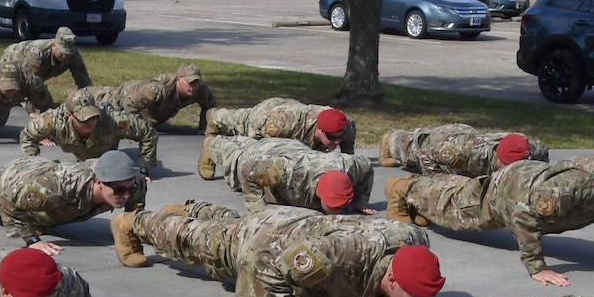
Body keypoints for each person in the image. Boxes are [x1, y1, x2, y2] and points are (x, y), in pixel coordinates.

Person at [110, 202, 444, 297]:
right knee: (192, 241)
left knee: (227, 222)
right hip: (262, 241)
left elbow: (413, 269)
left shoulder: (414, 247)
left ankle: (192, 209)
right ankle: (135, 223)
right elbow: (268, 264)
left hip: (299, 225)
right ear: (392, 280)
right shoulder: (343, 255)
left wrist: (417, 296)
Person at [386, 136, 594, 284]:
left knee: (459, 195)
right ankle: (405, 188)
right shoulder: (581, 185)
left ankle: (419, 191)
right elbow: (524, 215)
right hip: (511, 191)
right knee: (456, 211)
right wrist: (537, 267)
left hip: (533, 183)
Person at [0, 149, 142, 246]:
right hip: (12, 183)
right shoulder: (57, 188)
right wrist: (32, 240)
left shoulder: (133, 183)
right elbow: (7, 200)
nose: (125, 195)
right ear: (99, 182)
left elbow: (134, 202)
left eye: (129, 189)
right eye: (118, 191)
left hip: (39, 172)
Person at [197, 135, 374, 211]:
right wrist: (257, 207)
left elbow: (367, 166)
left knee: (251, 144)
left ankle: (244, 141)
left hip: (295, 149)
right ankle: (214, 143)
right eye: (335, 206)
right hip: (274, 155)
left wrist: (360, 200)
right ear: (320, 193)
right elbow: (247, 169)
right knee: (236, 164)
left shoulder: (349, 167)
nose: (339, 211)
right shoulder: (289, 172)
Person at [69, 63, 215, 134]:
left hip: (145, 111)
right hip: (120, 97)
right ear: (179, 80)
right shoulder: (158, 89)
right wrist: (133, 129)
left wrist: (204, 127)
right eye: (190, 82)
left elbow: (210, 105)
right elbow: (129, 105)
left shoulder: (199, 89)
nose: (193, 86)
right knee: (91, 101)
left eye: (196, 82)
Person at [17, 98, 158, 167]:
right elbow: (28, 135)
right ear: (69, 115)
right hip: (82, 158)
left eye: (93, 117)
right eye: (83, 119)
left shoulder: (114, 120)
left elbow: (148, 133)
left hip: (106, 154)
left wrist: (144, 167)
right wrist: (33, 165)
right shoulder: (53, 120)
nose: (90, 122)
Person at [377, 125, 545, 175]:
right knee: (413, 149)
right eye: (506, 165)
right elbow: (426, 153)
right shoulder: (462, 153)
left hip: (471, 136)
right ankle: (390, 140)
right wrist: (432, 182)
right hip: (445, 141)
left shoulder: (531, 149)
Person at [206, 98, 354, 154]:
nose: (337, 141)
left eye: (340, 137)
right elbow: (258, 149)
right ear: (319, 130)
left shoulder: (344, 125)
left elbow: (347, 150)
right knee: (237, 121)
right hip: (268, 115)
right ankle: (214, 116)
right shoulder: (281, 125)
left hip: (292, 109)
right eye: (332, 138)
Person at [0, 27, 91, 110]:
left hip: (33, 73)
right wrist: (31, 111)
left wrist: (90, 102)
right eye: (62, 52)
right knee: (2, 92)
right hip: (11, 58)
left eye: (67, 53)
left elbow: (83, 80)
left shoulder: (73, 55)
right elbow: (26, 82)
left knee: (45, 102)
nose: (65, 56)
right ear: (54, 45)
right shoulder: (37, 54)